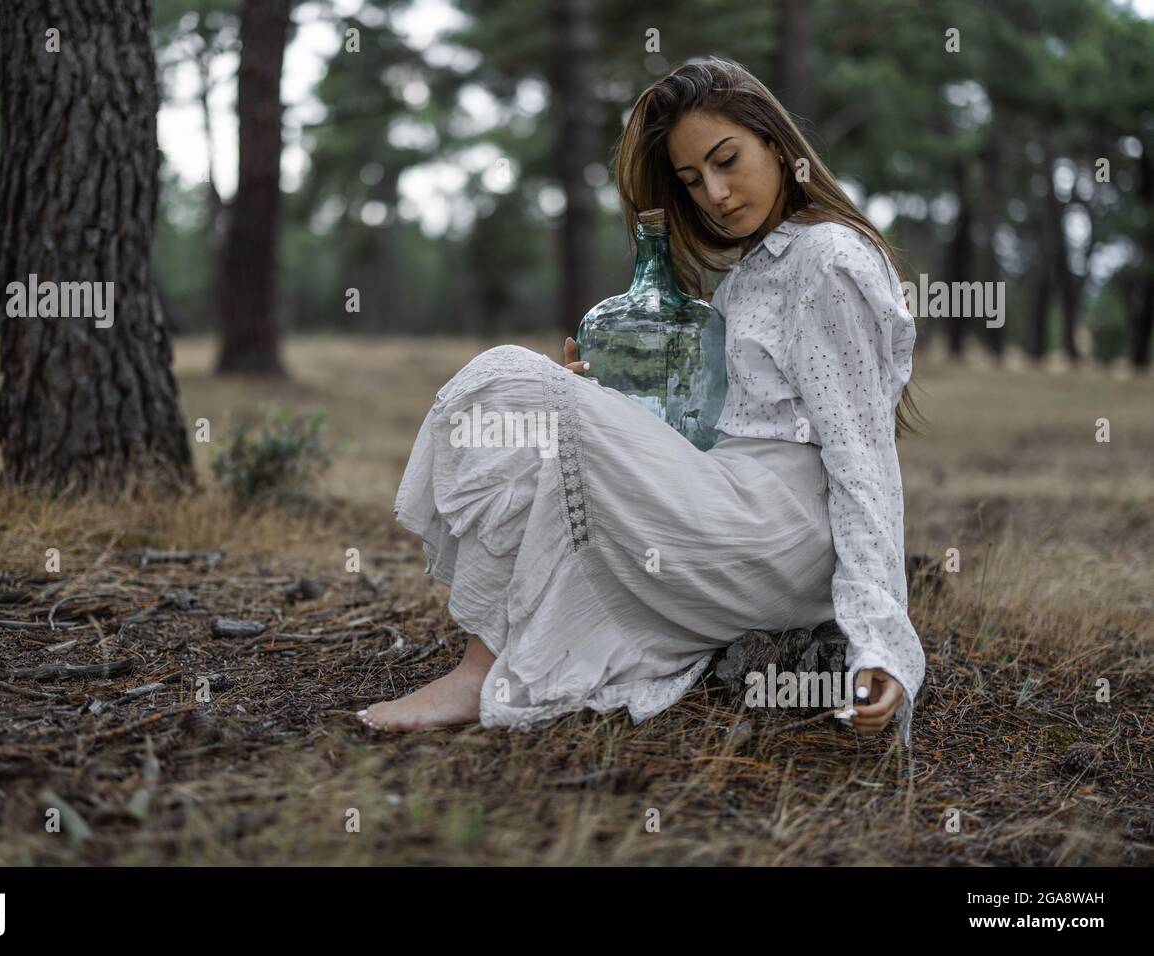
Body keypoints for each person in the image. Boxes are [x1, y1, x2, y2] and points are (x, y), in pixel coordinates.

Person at [356, 56, 928, 746]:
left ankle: (483, 674)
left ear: (777, 144)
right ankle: (486, 662)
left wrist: (882, 646)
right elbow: (717, 431)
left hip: (784, 530)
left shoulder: (828, 257)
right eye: (692, 180)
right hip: (739, 498)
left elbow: (862, 457)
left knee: (511, 381)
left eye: (727, 160)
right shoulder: (751, 274)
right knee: (539, 405)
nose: (714, 193)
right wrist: (600, 408)